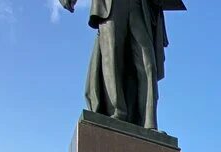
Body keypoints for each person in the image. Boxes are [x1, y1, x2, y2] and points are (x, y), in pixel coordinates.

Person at [59, 0, 172, 130]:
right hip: (112, 5)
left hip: (139, 6)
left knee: (149, 65)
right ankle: (117, 112)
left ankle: (150, 123)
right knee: (111, 57)